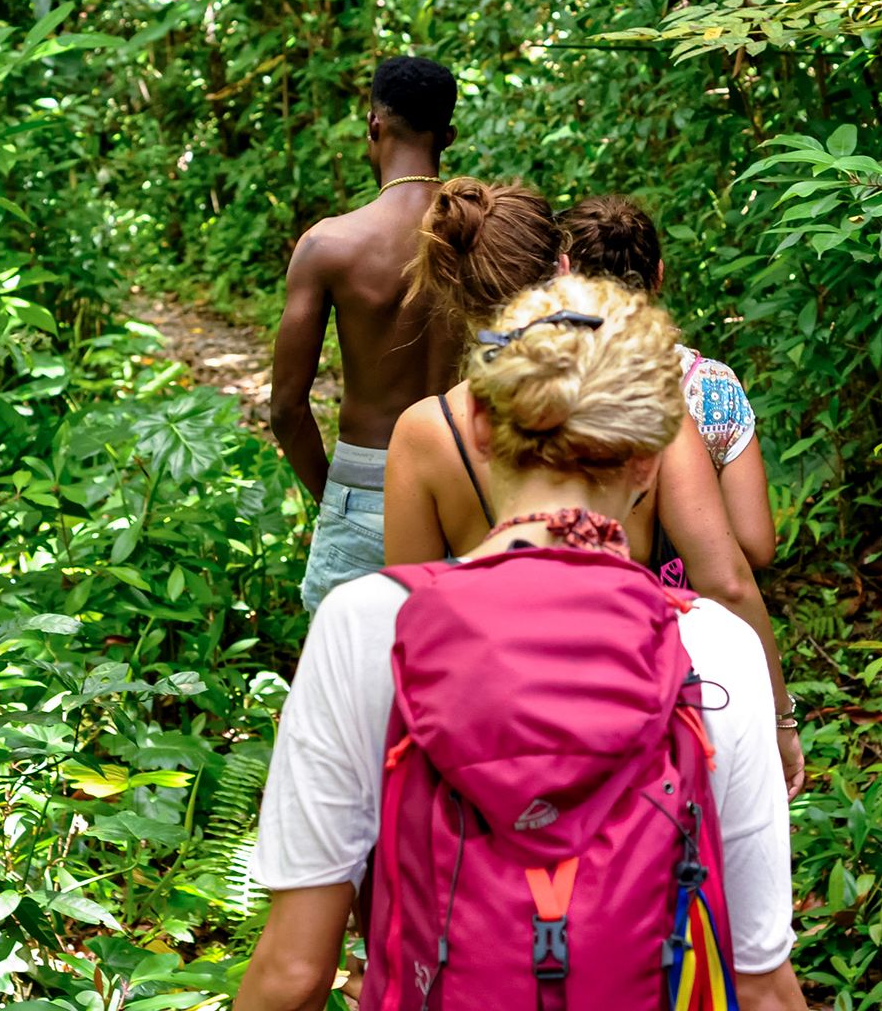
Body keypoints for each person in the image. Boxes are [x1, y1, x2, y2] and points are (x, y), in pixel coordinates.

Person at [238, 276, 808, 1011]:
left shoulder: (368, 624)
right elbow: (759, 982)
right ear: (648, 461)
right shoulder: (716, 646)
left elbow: (292, 974)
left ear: (476, 425)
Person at [382, 179, 805, 797]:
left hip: (500, 727)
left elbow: (410, 621)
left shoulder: (425, 434)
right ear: (563, 267)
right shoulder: (637, 396)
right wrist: (780, 716)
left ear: (453, 292)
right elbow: (729, 581)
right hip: (632, 701)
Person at [271, 56, 464, 612]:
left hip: (366, 485)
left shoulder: (330, 245)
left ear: (374, 125)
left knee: (353, 688)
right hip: (469, 484)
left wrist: (337, 497)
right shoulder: (488, 237)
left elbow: (286, 409)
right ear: (447, 136)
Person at [561, 195, 775, 571]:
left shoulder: (538, 384)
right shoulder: (714, 386)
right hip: (690, 610)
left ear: (563, 276)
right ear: (658, 274)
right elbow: (755, 545)